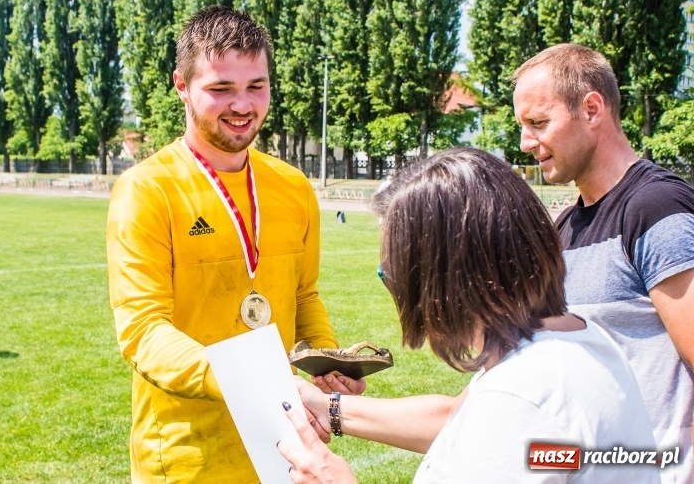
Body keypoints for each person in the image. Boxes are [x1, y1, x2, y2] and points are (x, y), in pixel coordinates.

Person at [278, 148, 659, 483]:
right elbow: (455, 415)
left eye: (391, 272)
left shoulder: (521, 398)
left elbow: (500, 415)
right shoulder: (572, 344)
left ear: (439, 278)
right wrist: (328, 408)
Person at [106, 6, 362, 483]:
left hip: (284, 446)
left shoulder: (293, 186)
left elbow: (302, 297)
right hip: (186, 459)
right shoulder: (146, 190)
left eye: (256, 86)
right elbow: (143, 331)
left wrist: (326, 361)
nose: (242, 105)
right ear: (181, 85)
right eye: (221, 89)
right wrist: (250, 382)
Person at [513, 44, 694, 484]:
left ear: (592, 109)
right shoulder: (564, 228)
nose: (525, 142)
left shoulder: (656, 207)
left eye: (538, 123)